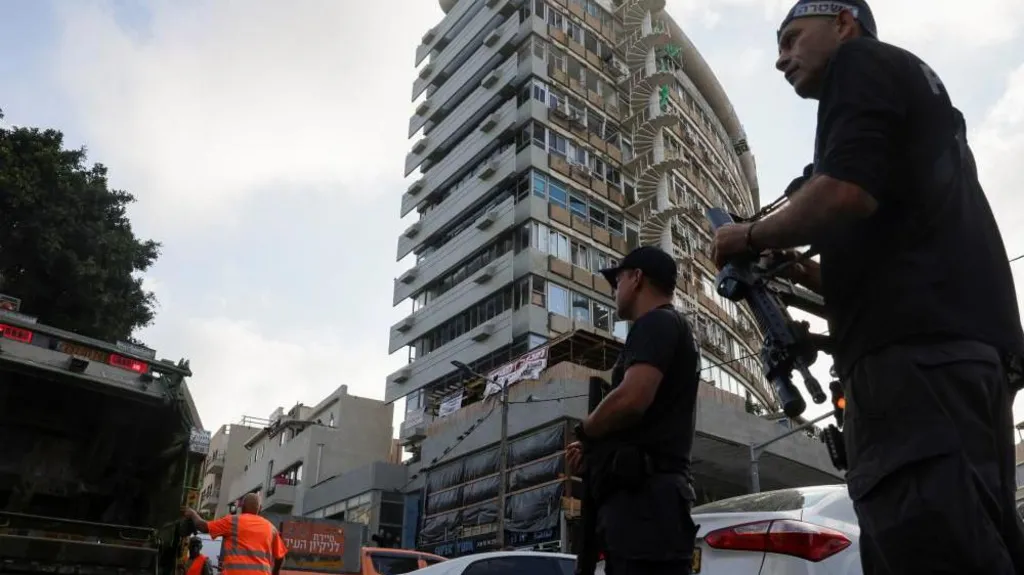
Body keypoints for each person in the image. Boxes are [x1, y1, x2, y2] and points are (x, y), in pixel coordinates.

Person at [712, 1, 1024, 573]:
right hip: (958, 356)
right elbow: (887, 238)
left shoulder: (859, 65)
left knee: (928, 545)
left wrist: (749, 236)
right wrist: (805, 271)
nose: (782, 60)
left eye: (791, 39)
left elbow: (842, 193)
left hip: (914, 366)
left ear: (843, 23)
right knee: (977, 539)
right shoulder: (909, 96)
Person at [566, 246, 701, 575]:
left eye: (619, 279)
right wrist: (595, 452)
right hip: (648, 511)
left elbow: (632, 399)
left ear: (637, 278)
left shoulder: (656, 323)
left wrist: (586, 431)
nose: (615, 289)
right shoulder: (667, 327)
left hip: (648, 511)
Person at [183, 493, 288, 575]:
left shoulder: (233, 521)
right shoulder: (271, 528)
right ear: (259, 509)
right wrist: (275, 573)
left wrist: (193, 514)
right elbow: (281, 557)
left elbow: (203, 527)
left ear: (242, 508)